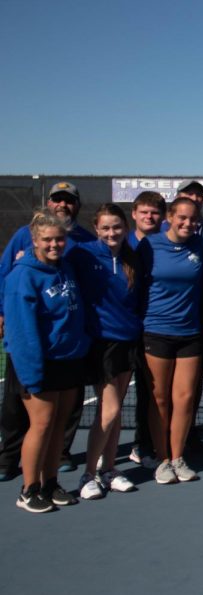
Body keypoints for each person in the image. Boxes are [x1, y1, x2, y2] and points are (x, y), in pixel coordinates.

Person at [0, 182, 94, 480]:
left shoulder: (66, 262)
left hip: (66, 356)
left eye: (69, 201)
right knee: (32, 420)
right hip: (35, 360)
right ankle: (27, 484)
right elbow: (22, 325)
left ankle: (50, 482)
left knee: (56, 422)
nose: (54, 244)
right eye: (57, 200)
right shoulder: (23, 272)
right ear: (35, 240)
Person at [69, 205, 143, 499]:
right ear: (96, 229)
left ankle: (109, 469)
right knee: (109, 409)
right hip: (101, 343)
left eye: (116, 227)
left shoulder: (133, 257)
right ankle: (88, 474)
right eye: (105, 228)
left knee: (116, 412)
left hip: (128, 340)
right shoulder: (82, 254)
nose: (112, 233)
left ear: (125, 227)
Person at [137, 197, 203, 485]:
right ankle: (162, 458)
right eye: (182, 218)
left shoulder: (201, 246)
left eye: (193, 219)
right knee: (160, 398)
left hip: (190, 333)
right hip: (156, 331)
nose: (187, 223)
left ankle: (178, 457)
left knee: (185, 398)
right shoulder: (149, 246)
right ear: (169, 217)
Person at [127, 191, 165, 469]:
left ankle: (150, 443)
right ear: (134, 214)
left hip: (154, 330)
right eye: (144, 212)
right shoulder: (119, 243)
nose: (149, 217)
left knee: (151, 391)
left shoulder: (164, 244)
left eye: (154, 213)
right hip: (124, 331)